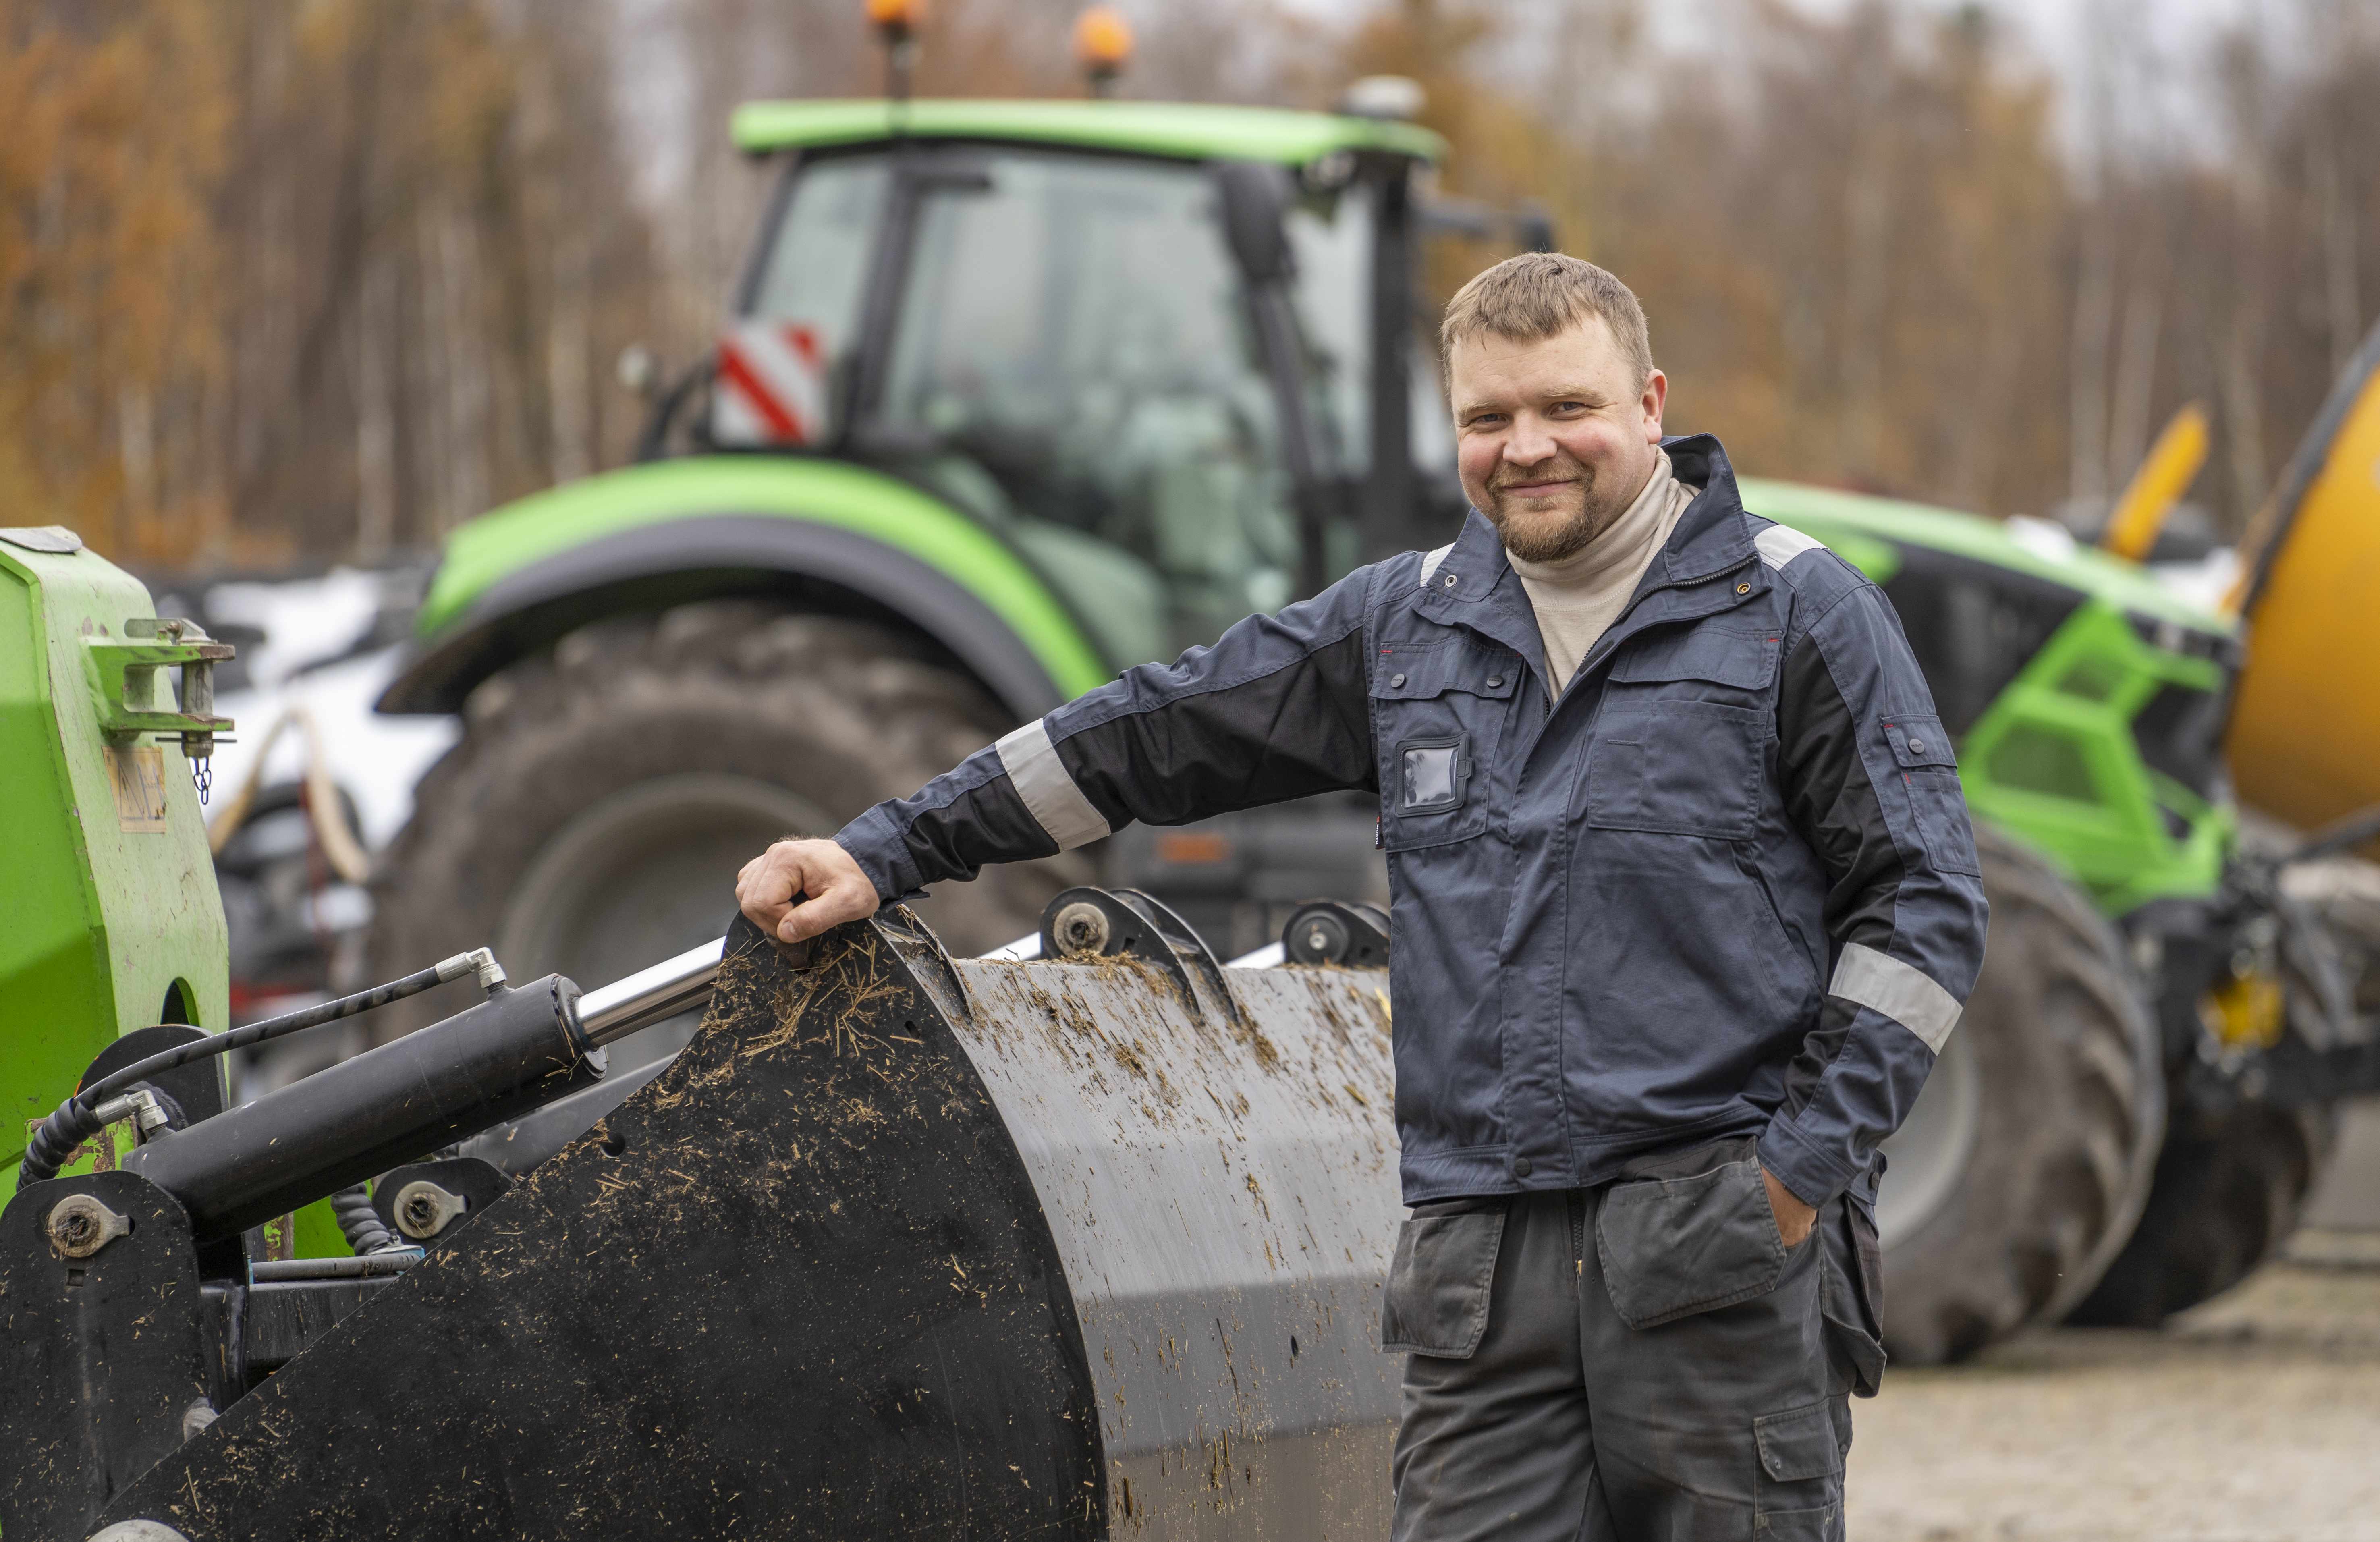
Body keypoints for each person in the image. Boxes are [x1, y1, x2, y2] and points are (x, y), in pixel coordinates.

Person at [737, 251, 1989, 1540]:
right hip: (1479, 1278)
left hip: (1714, 1258)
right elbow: (1150, 733)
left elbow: (1924, 907)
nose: (1525, 447)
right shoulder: (1407, 626)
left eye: (1566, 406)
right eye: (1486, 417)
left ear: (1650, 403)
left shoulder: (1791, 612)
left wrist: (1795, 1174)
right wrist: (889, 848)